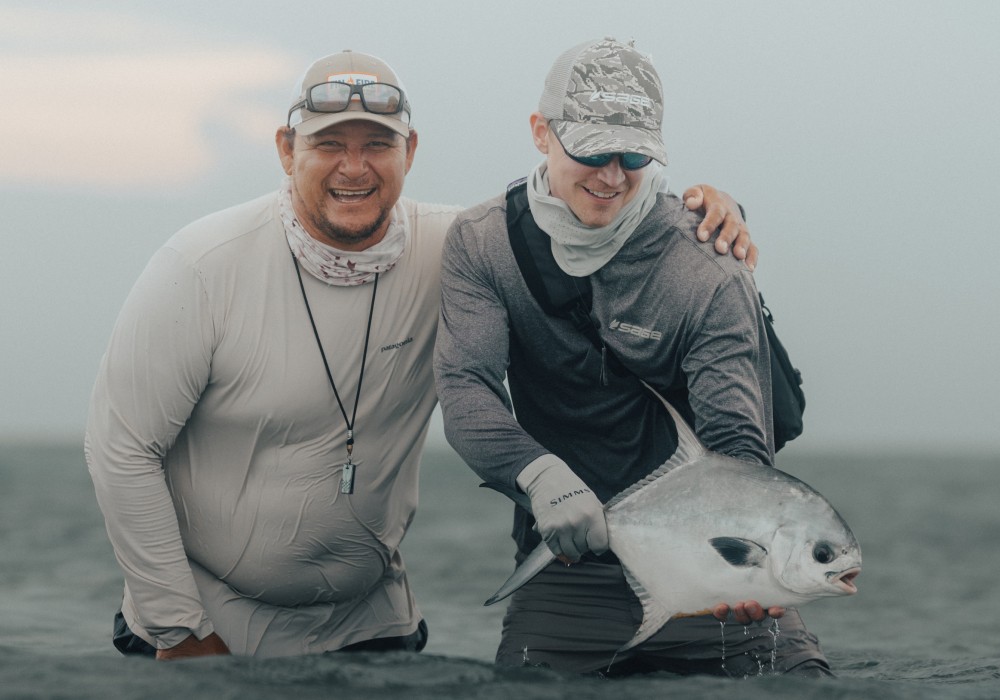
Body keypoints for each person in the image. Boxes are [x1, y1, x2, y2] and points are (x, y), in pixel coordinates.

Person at [85, 48, 756, 661]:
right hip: (206, 629)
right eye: (329, 146)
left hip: (373, 628)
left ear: (410, 150)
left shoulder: (456, 247)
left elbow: (579, 222)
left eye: (377, 144)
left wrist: (708, 213)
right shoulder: (199, 265)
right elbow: (120, 446)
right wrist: (180, 631)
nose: (355, 167)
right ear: (288, 150)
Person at [433, 38, 832, 677]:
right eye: (591, 150)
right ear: (541, 133)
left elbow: (736, 441)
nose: (612, 175)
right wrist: (538, 476)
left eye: (634, 154)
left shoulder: (707, 266)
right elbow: (466, 388)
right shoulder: (482, 245)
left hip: (709, 572)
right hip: (570, 562)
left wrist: (745, 550)